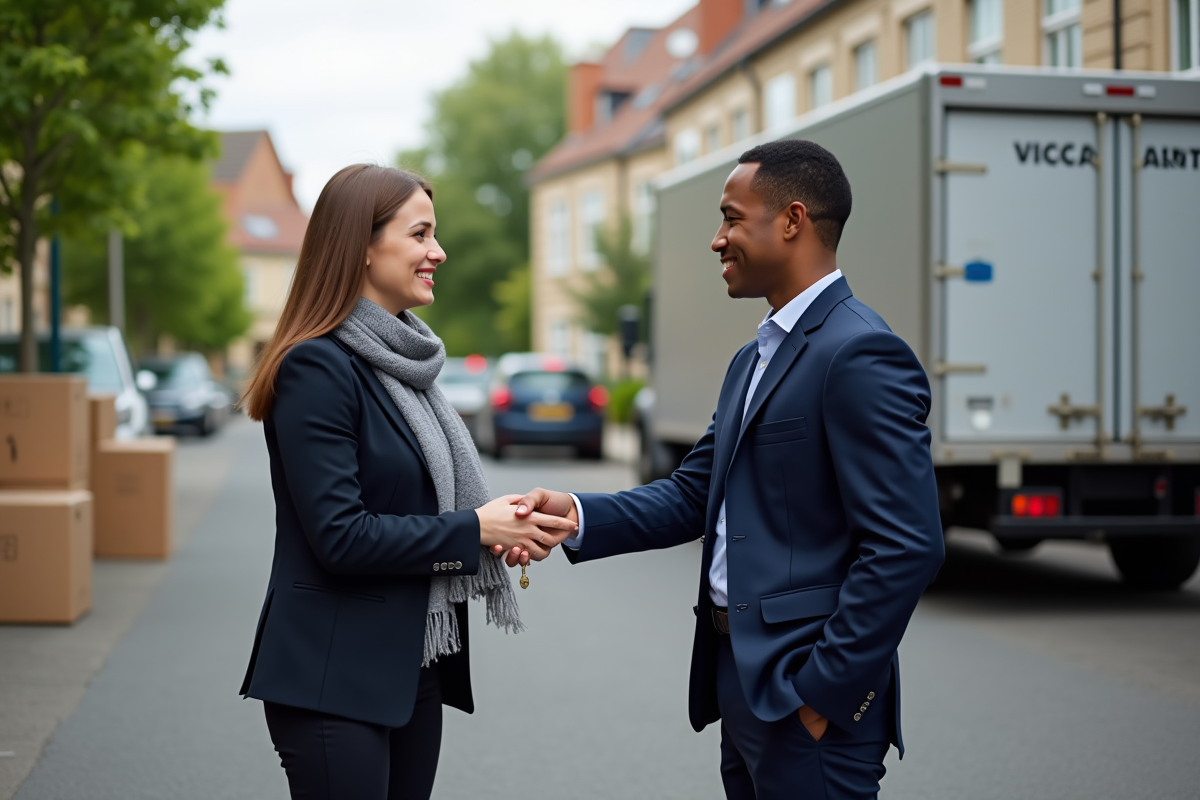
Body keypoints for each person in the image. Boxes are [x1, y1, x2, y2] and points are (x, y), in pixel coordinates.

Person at [516, 140, 945, 800]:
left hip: (805, 700)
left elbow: (906, 545)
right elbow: (694, 495)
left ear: (793, 220)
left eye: (731, 218)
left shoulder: (860, 352)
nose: (718, 240)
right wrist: (576, 515)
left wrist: (820, 694)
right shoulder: (753, 360)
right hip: (741, 681)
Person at [238, 164, 576, 800]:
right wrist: (475, 528)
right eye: (421, 234)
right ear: (362, 246)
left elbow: (420, 500)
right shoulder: (318, 365)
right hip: (332, 675)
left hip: (411, 664)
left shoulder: (406, 364)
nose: (438, 252)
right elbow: (341, 537)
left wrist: (502, 524)